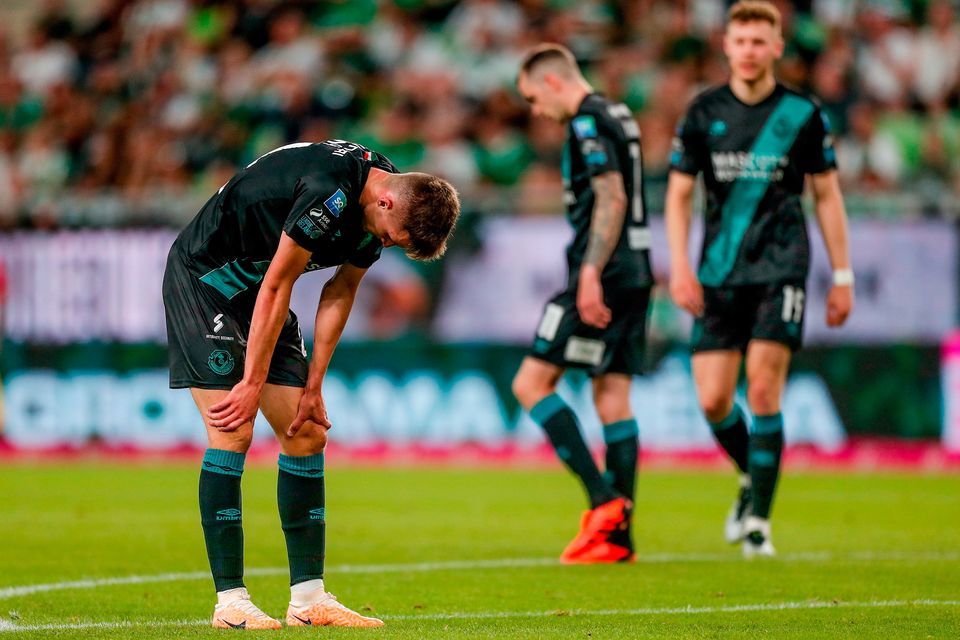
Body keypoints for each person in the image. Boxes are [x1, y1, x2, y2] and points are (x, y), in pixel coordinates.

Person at [162, 139, 459, 628]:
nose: (385, 245)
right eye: (392, 237)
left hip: (258, 290)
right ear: (386, 202)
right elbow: (280, 284)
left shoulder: (377, 204)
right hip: (206, 281)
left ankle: (308, 601)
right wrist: (252, 383)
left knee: (306, 432)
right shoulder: (329, 195)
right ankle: (230, 602)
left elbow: (340, 290)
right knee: (234, 428)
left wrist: (315, 383)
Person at [665, 1, 853, 558]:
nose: (748, 51)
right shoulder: (703, 112)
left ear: (776, 47)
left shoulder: (802, 114)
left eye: (758, 41)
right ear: (726, 46)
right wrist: (679, 265)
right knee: (714, 399)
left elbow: (827, 194)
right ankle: (753, 474)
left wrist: (841, 274)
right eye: (739, 40)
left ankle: (758, 526)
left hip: (782, 267)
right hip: (719, 270)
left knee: (765, 388)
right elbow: (678, 195)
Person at [512, 44, 653, 564]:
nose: (535, 110)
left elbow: (611, 196)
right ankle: (619, 539)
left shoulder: (588, 122)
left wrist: (590, 272)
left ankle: (604, 502)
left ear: (553, 82)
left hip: (604, 270)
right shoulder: (620, 112)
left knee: (529, 383)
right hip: (635, 269)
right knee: (612, 394)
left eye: (532, 97)